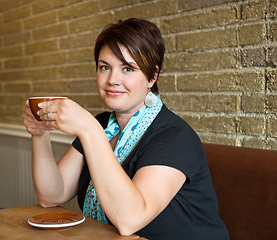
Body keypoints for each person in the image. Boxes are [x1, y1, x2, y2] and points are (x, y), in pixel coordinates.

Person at [22, 18, 229, 240]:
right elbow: (52, 194)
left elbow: (130, 219)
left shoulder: (174, 136)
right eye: (104, 67)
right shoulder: (102, 124)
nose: (112, 79)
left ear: (152, 76)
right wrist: (40, 134)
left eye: (128, 69)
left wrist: (89, 130)